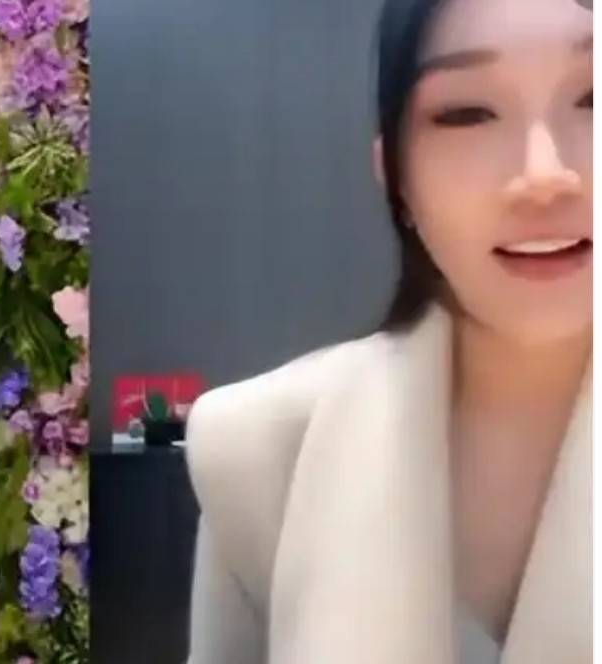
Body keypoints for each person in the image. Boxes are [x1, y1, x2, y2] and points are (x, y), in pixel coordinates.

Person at [185, 0, 592, 662]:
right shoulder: (258, 450)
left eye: (594, 98)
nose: (545, 176)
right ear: (396, 175)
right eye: (467, 113)